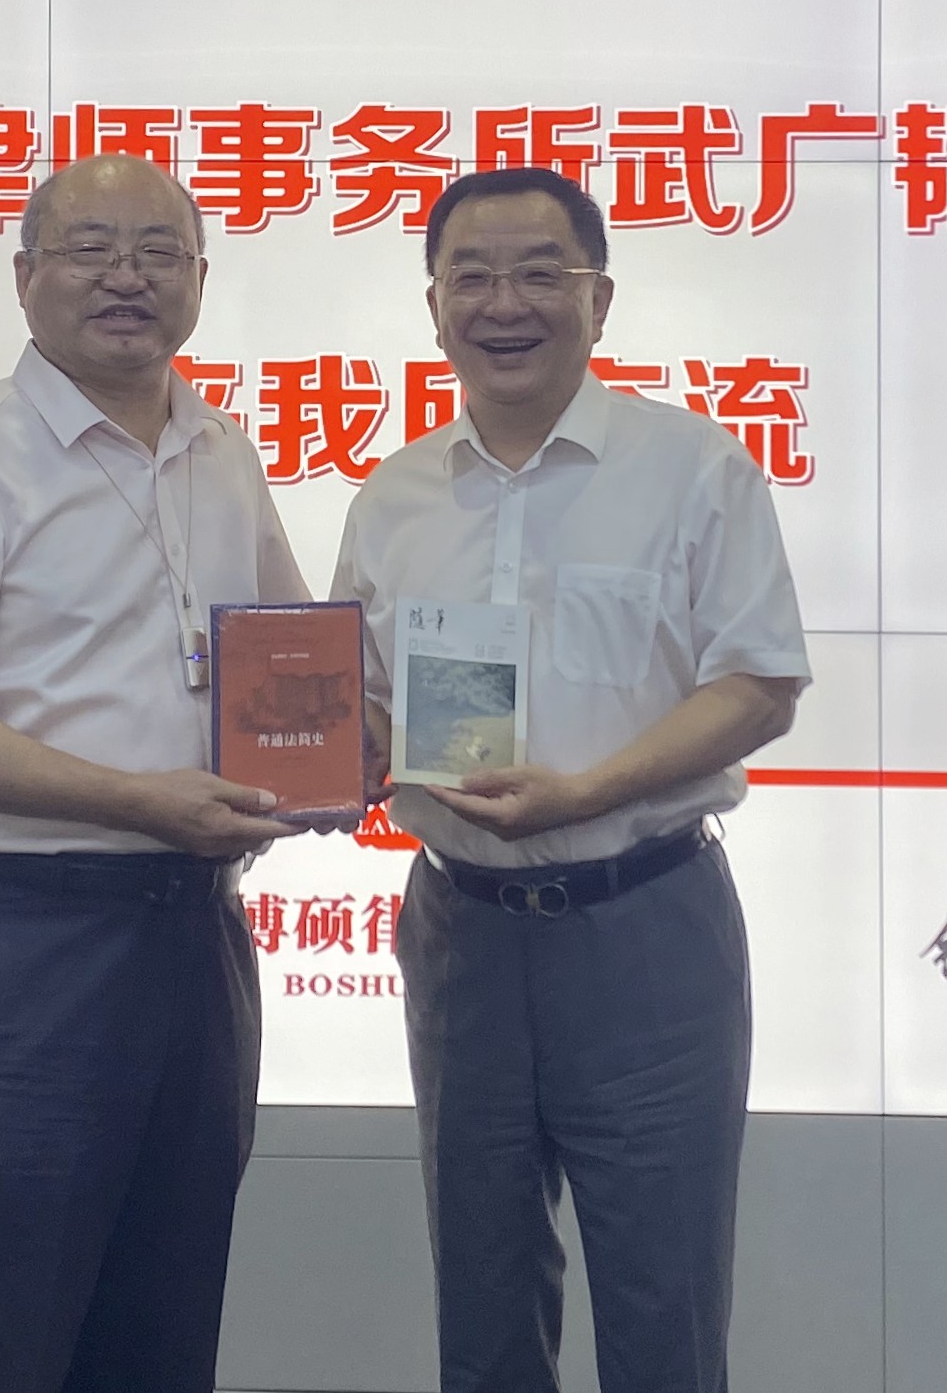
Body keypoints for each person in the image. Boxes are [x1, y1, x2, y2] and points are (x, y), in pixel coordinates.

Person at [334, 164, 811, 1393]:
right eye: (472, 275)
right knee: (482, 1295)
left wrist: (589, 791)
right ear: (433, 306)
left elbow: (758, 683)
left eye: (541, 272)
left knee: (664, 1299)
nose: (505, 303)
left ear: (599, 300)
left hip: (644, 921)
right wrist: (328, 754)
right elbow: (361, 695)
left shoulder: (693, 467)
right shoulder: (394, 494)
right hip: (462, 930)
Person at [0, 152, 308, 1393]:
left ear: (199, 277)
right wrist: (135, 799)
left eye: (158, 252)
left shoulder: (222, 452)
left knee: (161, 1330)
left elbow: (286, 662)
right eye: (90, 248)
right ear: (24, 276)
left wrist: (362, 745)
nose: (126, 277)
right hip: (23, 943)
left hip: (195, 940)